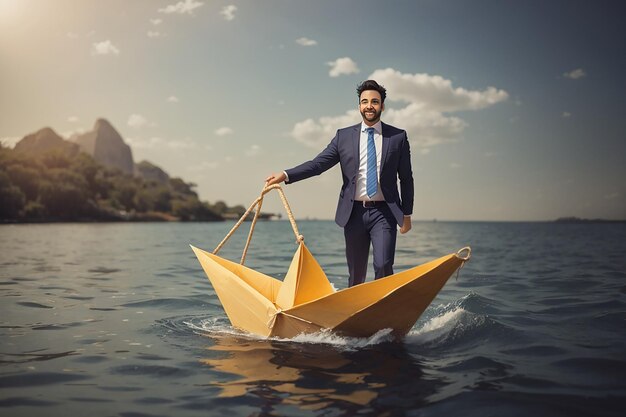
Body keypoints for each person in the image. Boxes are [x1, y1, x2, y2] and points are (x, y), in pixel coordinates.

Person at [266, 80, 414, 287]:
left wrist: (407, 214)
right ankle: (354, 314)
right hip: (353, 214)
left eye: (374, 101)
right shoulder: (343, 136)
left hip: (385, 213)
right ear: (359, 106)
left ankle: (381, 313)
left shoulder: (397, 137)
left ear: (382, 105)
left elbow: (406, 178)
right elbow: (318, 165)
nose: (369, 106)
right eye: (364, 102)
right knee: (356, 275)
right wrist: (286, 174)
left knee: (383, 265)